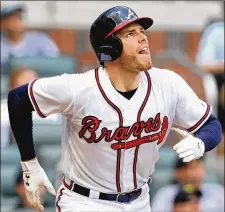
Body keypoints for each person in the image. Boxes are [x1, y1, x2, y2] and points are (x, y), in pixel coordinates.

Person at [7, 6, 222, 212]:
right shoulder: (78, 88)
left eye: (142, 31)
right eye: (130, 33)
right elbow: (18, 99)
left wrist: (201, 142)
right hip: (84, 201)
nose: (142, 37)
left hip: (139, 200)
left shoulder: (168, 84)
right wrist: (30, 164)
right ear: (110, 49)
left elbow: (211, 125)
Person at [1, 67, 61, 148]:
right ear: (14, 85)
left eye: (34, 79)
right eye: (27, 80)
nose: (32, 83)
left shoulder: (50, 108)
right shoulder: (3, 108)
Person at [1, 3, 59, 75]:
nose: (17, 21)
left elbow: (55, 63)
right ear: (2, 23)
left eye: (19, 17)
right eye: (11, 18)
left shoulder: (40, 39)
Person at [151, 157, 224, 212]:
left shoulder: (217, 192)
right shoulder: (166, 194)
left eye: (200, 166)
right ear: (178, 172)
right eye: (192, 168)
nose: (197, 173)